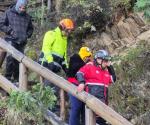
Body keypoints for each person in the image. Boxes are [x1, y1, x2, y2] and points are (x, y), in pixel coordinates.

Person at [76, 49, 116, 125]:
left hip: (103, 108)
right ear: (98, 59)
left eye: (107, 61)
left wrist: (110, 67)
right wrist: (81, 83)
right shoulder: (90, 66)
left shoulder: (106, 72)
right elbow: (79, 73)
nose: (106, 63)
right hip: (91, 108)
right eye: (105, 61)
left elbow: (113, 79)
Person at [0, 0, 33, 82]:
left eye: (24, 8)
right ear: (17, 6)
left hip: (22, 41)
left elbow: (31, 29)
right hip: (11, 39)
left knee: (19, 61)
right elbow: (1, 24)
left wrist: (27, 35)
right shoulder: (8, 13)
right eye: (21, 8)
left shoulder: (27, 17)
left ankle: (16, 79)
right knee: (10, 58)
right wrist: (10, 31)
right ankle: (7, 78)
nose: (22, 9)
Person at [38, 18, 74, 82]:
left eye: (70, 31)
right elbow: (46, 49)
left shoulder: (64, 40)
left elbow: (63, 56)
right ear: (62, 27)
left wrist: (66, 67)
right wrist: (50, 62)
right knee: (46, 87)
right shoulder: (51, 34)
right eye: (67, 30)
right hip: (46, 65)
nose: (69, 32)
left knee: (52, 89)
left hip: (55, 68)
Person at [67, 47, 92, 125]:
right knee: (76, 107)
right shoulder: (75, 58)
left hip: (84, 86)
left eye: (89, 56)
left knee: (84, 109)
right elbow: (74, 68)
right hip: (73, 85)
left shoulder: (87, 63)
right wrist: (86, 64)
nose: (88, 58)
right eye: (86, 56)